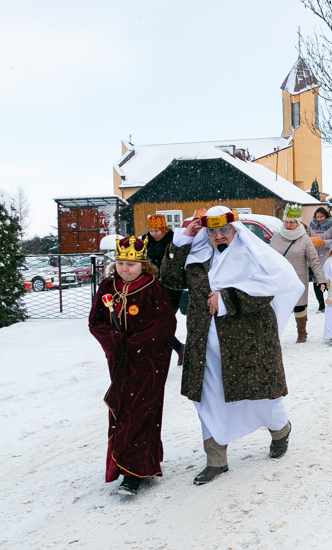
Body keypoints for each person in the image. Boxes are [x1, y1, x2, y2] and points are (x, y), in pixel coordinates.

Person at [159, 206, 304, 485]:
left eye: (224, 230)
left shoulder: (252, 256)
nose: (218, 236)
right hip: (206, 345)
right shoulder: (198, 256)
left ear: (235, 230)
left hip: (248, 344)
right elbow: (171, 279)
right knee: (209, 401)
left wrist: (228, 300)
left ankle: (280, 430)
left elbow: (267, 293)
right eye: (211, 231)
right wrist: (182, 240)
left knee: (262, 399)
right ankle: (216, 459)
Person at [88, 236, 177, 496]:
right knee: (122, 411)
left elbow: (165, 326)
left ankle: (134, 473)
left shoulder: (153, 288)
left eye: (131, 264)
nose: (125, 269)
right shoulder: (107, 286)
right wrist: (115, 341)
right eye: (120, 263)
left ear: (143, 265)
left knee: (141, 413)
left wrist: (137, 342)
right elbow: (96, 322)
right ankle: (126, 465)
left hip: (148, 363)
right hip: (120, 363)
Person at [269, 204, 327, 343]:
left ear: (298, 222)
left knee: (299, 307)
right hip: (280, 279)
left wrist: (321, 280)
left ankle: (302, 333)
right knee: (276, 307)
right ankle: (274, 334)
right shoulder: (276, 237)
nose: (288, 224)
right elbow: (269, 259)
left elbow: (314, 261)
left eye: (292, 222)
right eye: (286, 221)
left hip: (298, 279)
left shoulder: (304, 239)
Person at [143, 214, 185, 363]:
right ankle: (178, 348)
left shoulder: (174, 240)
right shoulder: (145, 241)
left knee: (162, 323)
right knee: (152, 323)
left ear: (164, 228)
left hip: (171, 289)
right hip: (151, 288)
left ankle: (175, 349)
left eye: (157, 230)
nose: (154, 234)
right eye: (151, 230)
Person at [307, 206, 332, 313]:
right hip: (314, 258)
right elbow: (307, 238)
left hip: (327, 257)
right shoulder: (311, 226)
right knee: (317, 283)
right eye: (317, 217)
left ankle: (331, 302)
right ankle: (321, 305)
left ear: (326, 216)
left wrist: (324, 242)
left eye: (321, 216)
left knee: (328, 282)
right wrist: (311, 241)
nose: (319, 219)